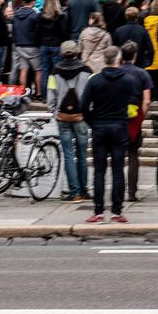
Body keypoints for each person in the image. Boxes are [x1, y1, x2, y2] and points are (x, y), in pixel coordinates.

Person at [82, 45, 140, 222]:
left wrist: (93, 122)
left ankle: (98, 210)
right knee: (117, 170)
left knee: (99, 171)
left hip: (99, 125)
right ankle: (117, 211)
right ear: (119, 59)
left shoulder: (94, 80)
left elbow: (83, 106)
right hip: (119, 125)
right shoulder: (128, 80)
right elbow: (134, 104)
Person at [48, 40, 93, 203]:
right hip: (81, 117)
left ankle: (74, 192)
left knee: (68, 154)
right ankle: (84, 190)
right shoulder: (87, 70)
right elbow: (93, 95)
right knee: (82, 154)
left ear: (61, 53)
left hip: (63, 118)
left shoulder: (55, 72)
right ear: (76, 52)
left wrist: (55, 112)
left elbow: (50, 98)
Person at [118, 42, 153, 202]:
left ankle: (117, 190)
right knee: (133, 154)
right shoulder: (142, 73)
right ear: (135, 55)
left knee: (117, 155)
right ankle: (131, 192)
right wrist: (142, 116)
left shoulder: (116, 72)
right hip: (134, 115)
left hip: (117, 115)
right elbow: (147, 100)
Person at [37, 0, 68, 98]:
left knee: (45, 71)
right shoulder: (60, 16)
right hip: (56, 45)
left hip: (44, 45)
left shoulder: (40, 16)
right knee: (56, 71)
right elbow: (64, 32)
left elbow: (37, 31)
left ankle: (45, 96)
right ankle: (56, 95)